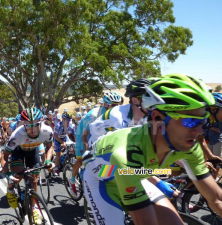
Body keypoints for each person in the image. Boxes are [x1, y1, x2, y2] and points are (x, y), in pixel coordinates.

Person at [82, 74, 222, 225]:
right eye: (190, 122)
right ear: (157, 118)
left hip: (129, 173)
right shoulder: (127, 154)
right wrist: (158, 182)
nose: (199, 131)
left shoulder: (188, 145)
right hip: (102, 180)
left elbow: (216, 199)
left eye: (203, 121)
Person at [2, 108, 53, 225]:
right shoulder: (17, 135)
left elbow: (50, 146)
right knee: (17, 176)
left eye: (36, 124)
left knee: (34, 180)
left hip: (33, 151)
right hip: (18, 151)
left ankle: (34, 209)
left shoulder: (47, 130)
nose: (33, 129)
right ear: (23, 124)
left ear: (41, 122)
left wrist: (48, 160)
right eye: (28, 125)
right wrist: (8, 175)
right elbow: (4, 156)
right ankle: (10, 189)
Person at [69, 92, 121, 197]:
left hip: (98, 135)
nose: (116, 107)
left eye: (117, 104)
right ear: (105, 104)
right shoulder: (93, 115)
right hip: (83, 134)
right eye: (113, 105)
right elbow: (85, 135)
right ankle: (72, 181)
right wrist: (88, 151)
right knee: (81, 160)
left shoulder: (115, 114)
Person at [89, 78, 151, 146]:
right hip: (96, 145)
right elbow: (126, 144)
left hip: (110, 143)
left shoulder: (147, 115)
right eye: (148, 98)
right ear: (135, 101)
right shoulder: (118, 115)